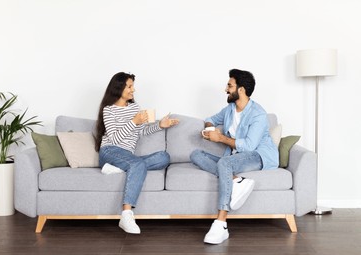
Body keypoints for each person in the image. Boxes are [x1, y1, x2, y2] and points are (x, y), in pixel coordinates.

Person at [190, 69, 279, 244]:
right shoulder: (230, 109)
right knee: (196, 154)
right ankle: (236, 180)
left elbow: (249, 146)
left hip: (258, 155)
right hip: (236, 157)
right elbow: (211, 118)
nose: (226, 89)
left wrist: (221, 138)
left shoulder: (258, 114)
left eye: (229, 85)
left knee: (224, 163)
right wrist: (209, 128)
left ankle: (221, 223)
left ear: (241, 90)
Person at [95, 72, 179, 234]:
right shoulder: (109, 110)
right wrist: (134, 121)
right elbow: (114, 138)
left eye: (133, 86)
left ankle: (120, 168)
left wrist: (160, 125)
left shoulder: (134, 107)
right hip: (110, 151)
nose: (133, 90)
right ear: (119, 88)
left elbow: (141, 132)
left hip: (127, 157)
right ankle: (126, 214)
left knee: (164, 157)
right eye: (129, 86)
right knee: (137, 163)